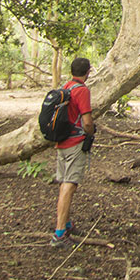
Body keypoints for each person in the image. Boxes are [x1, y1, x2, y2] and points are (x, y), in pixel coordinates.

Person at [51, 57, 96, 248]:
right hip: (74, 143)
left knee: (65, 184)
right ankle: (59, 233)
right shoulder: (82, 90)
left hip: (62, 142)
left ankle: (66, 224)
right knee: (69, 185)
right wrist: (91, 132)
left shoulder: (66, 87)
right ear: (88, 72)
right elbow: (87, 121)